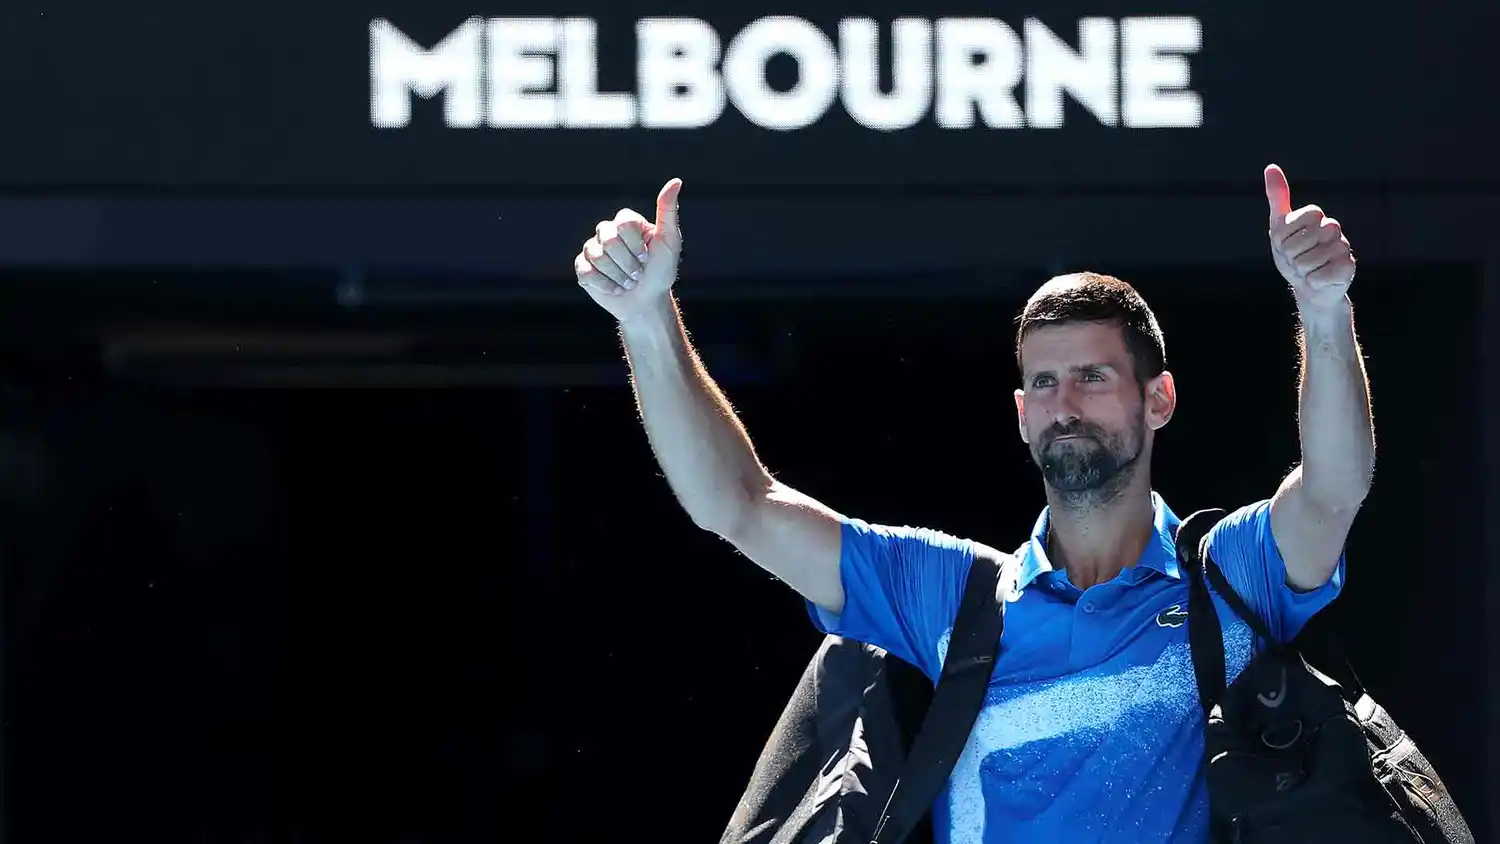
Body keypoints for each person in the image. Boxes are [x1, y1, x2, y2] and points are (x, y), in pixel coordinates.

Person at [570, 165, 1375, 843]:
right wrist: (645, 320)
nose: (1065, 404)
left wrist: (1323, 308)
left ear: (1157, 399)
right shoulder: (951, 597)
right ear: (1021, 415)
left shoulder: (1229, 579)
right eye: (1044, 382)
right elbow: (738, 504)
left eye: (1093, 377)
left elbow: (1334, 487)